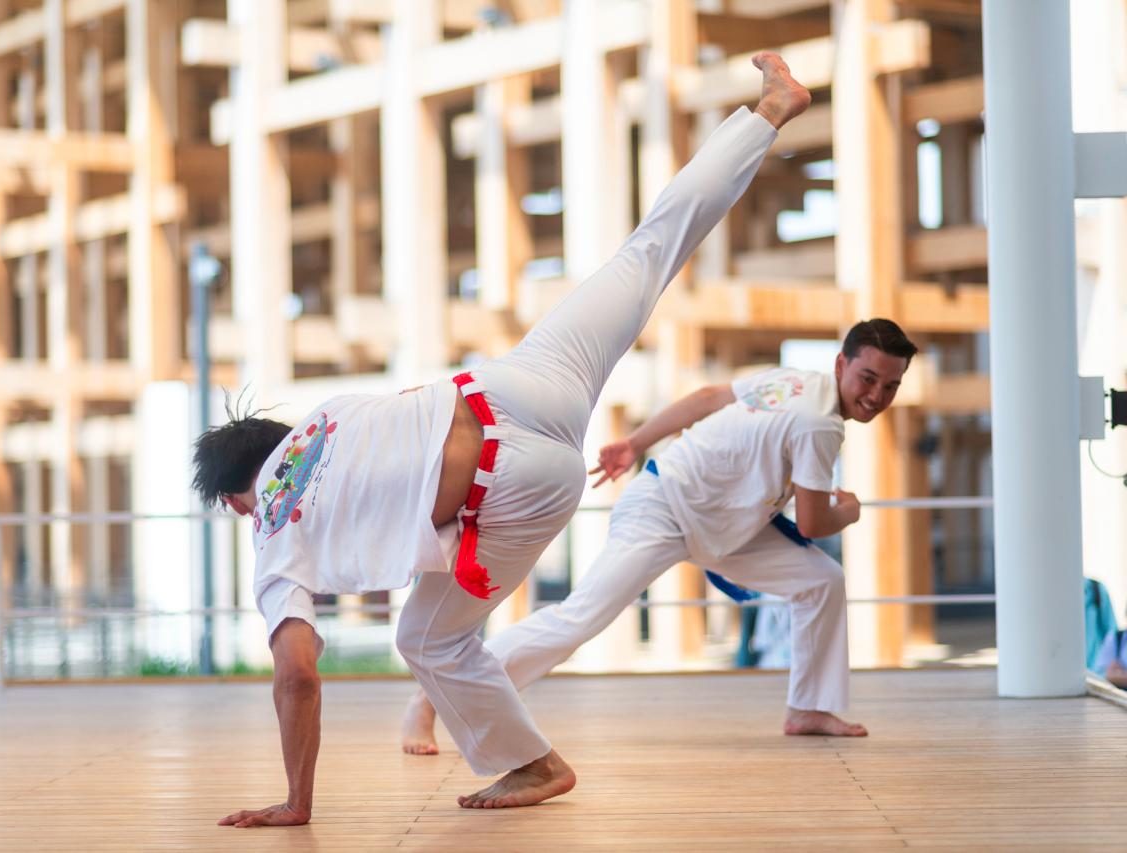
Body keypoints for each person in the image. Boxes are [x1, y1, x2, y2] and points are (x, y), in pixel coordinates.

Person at [192, 52, 811, 828]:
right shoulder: (329, 417)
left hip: (521, 478)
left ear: (240, 495)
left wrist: (299, 801)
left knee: (423, 635)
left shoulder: (275, 525)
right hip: (517, 381)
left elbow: (298, 678)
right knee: (649, 249)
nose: (251, 519)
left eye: (240, 509)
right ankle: (771, 109)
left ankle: (534, 762)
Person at [402, 317, 918, 753]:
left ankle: (809, 707)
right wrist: (848, 510)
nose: (876, 396)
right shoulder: (820, 424)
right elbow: (813, 523)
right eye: (868, 379)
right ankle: (437, 690)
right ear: (841, 366)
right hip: (666, 507)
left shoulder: (801, 381)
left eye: (890, 386)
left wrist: (636, 441)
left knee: (820, 581)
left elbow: (711, 396)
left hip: (727, 528)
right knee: (579, 619)